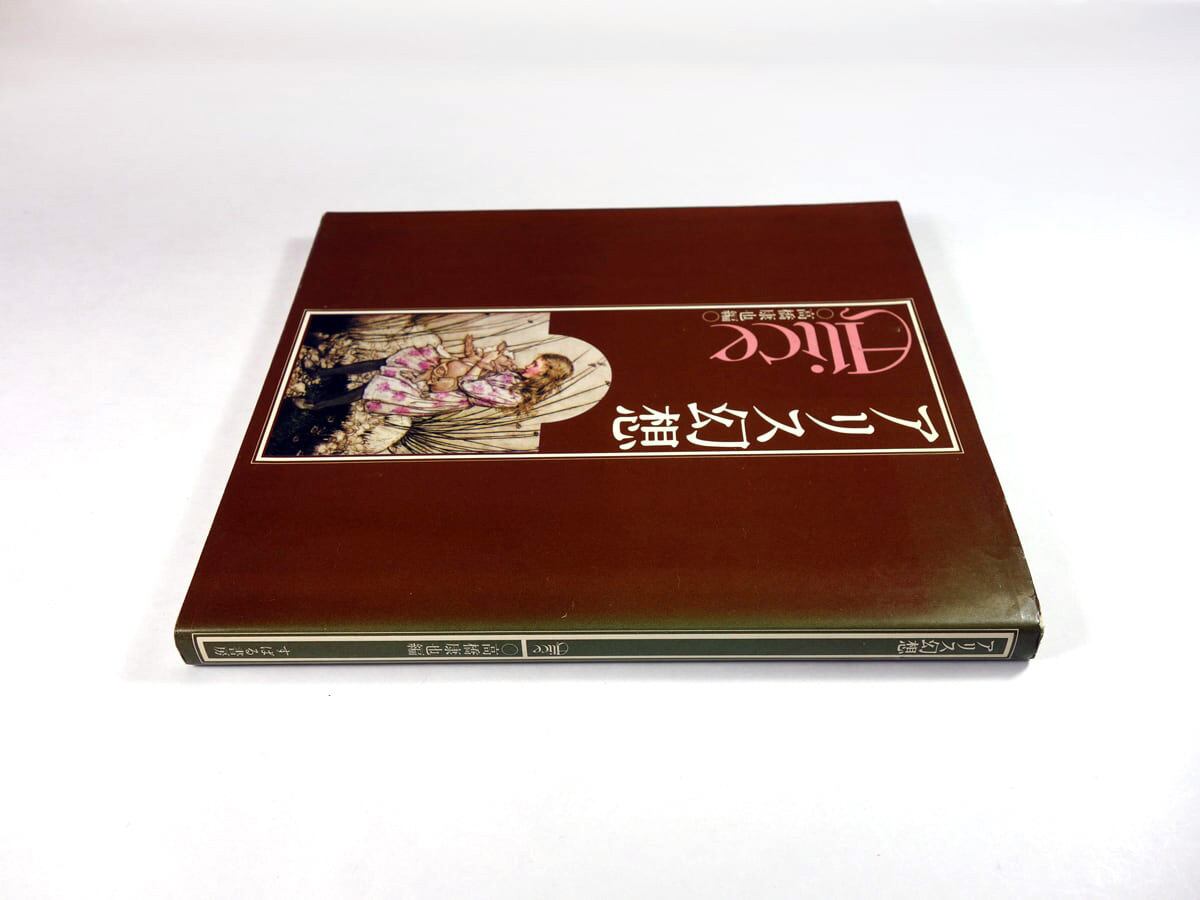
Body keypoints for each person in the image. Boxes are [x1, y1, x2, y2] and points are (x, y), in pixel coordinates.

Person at [292, 337, 573, 418]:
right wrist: (490, 359)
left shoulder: (514, 396)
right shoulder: (516, 376)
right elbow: (491, 370)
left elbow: (470, 386)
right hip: (452, 374)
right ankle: (322, 372)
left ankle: (315, 405)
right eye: (535, 361)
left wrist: (482, 362)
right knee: (387, 362)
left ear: (545, 375)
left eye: (536, 365)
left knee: (374, 386)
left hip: (446, 392)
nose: (529, 365)